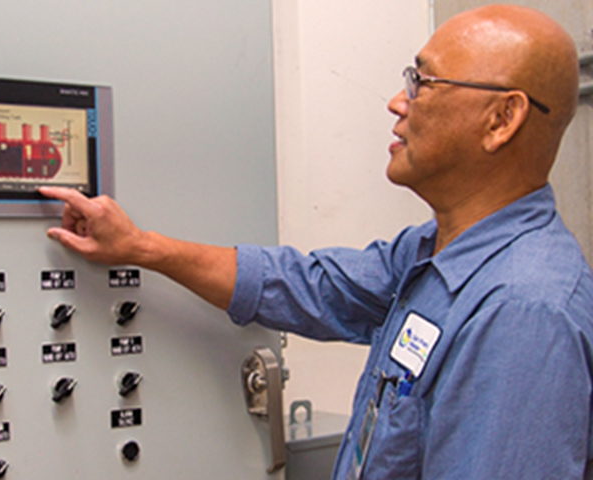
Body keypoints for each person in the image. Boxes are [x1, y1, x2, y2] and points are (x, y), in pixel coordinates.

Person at [40, 4, 593, 479]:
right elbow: (311, 288)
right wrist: (140, 247)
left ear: (501, 119)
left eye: (422, 83)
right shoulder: (433, 251)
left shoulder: (523, 311)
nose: (398, 103)